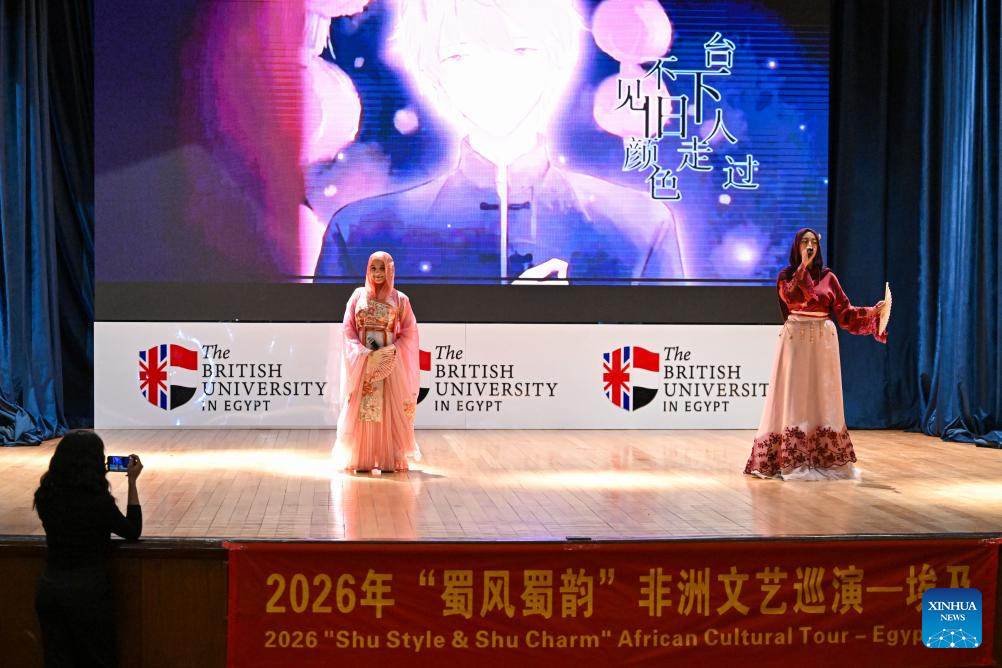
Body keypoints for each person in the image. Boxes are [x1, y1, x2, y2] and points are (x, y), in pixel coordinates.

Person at [314, 0, 683, 284]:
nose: (493, 75)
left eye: (520, 50)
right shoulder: (360, 235)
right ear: (433, 76)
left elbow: (659, 355)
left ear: (557, 60)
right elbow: (335, 355)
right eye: (459, 55)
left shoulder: (640, 228)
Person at [744, 228, 886, 480]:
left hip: (823, 340)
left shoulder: (828, 277)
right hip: (796, 339)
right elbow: (791, 297)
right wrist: (803, 267)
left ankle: (823, 457)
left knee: (823, 394)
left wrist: (871, 312)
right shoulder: (786, 276)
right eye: (804, 242)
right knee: (794, 394)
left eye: (813, 242)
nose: (809, 246)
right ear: (797, 247)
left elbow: (845, 312)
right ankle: (791, 456)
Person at [33, 430, 143, 667]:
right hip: (87, 593)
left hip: (50, 588)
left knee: (57, 660)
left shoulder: (45, 495)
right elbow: (132, 530)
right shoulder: (97, 501)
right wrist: (132, 482)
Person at [333, 251, 421, 472]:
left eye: (382, 268)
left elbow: (410, 332)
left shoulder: (400, 299)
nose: (378, 273)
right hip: (365, 363)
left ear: (390, 270)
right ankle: (361, 458)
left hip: (388, 364)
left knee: (388, 410)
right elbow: (348, 329)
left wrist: (391, 351)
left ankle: (387, 458)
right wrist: (364, 353)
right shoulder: (357, 296)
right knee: (361, 409)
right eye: (373, 268)